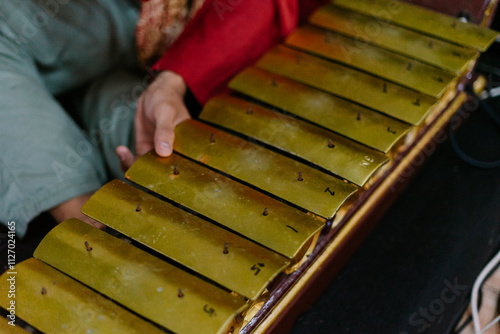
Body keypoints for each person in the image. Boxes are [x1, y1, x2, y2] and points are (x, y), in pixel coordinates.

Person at [0, 0, 328, 237]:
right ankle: (86, 226)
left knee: (158, 150)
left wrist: (173, 81)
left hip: (208, 33)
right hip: (115, 18)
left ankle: (152, 196)